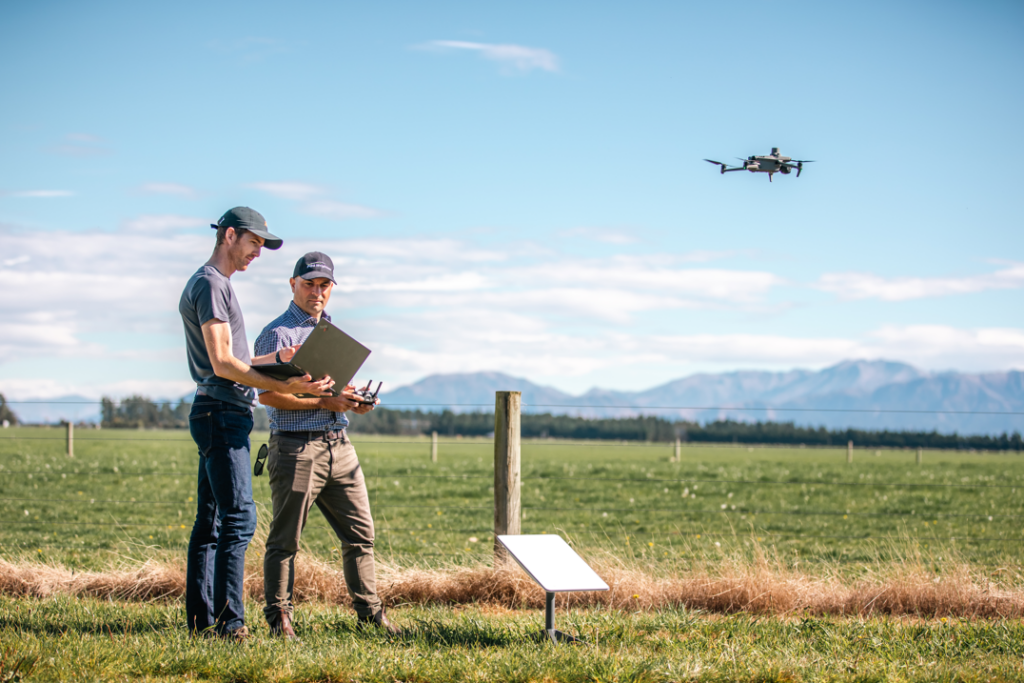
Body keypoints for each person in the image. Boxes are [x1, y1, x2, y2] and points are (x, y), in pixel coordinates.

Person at [179, 207, 334, 639]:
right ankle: (232, 623)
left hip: (215, 408)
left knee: (210, 521)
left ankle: (200, 621)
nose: (258, 253)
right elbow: (224, 362)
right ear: (229, 236)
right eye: (254, 243)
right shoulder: (213, 285)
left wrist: (282, 360)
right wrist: (281, 384)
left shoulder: (210, 282)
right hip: (223, 410)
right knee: (240, 519)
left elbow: (238, 358)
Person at [254, 251, 398, 639]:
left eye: (324, 285)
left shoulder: (331, 331)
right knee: (285, 540)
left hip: (340, 445)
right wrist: (324, 402)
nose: (316, 292)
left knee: (361, 535)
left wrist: (354, 399)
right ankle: (279, 618)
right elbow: (266, 396)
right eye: (309, 284)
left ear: (331, 289)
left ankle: (370, 614)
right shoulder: (277, 334)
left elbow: (334, 390)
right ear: (292, 285)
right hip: (297, 449)